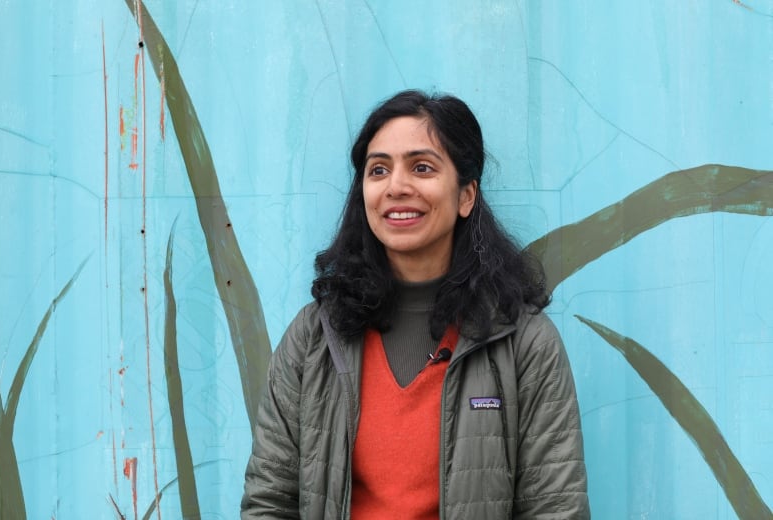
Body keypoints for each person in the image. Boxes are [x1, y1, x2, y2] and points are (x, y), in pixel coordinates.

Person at [241, 90, 589, 519]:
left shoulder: (525, 343)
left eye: (421, 167)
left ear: (466, 196)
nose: (397, 187)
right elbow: (269, 502)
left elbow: (555, 509)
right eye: (379, 170)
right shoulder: (314, 338)